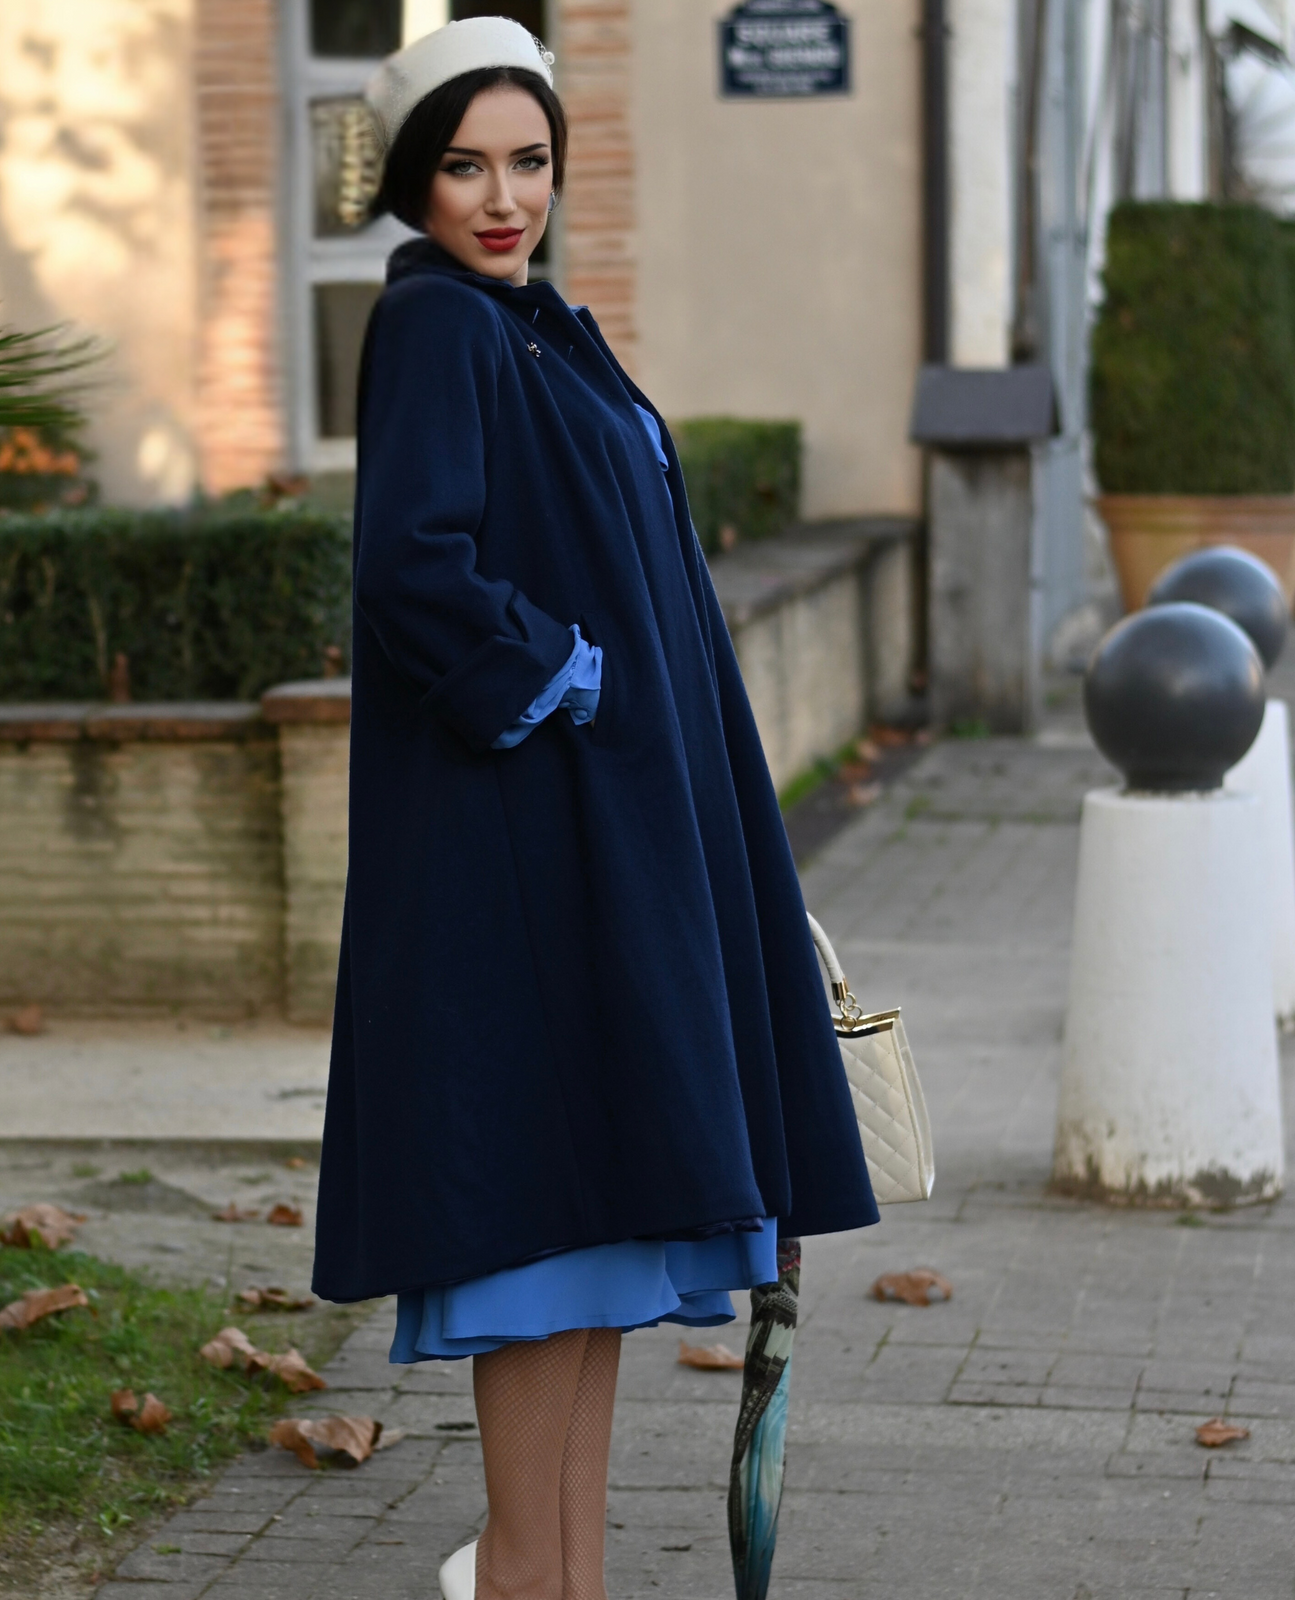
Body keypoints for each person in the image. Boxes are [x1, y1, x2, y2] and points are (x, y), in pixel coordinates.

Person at [311, 18, 878, 1600]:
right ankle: (521, 1578)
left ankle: (555, 1580)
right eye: (465, 166)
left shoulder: (535, 323)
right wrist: (563, 673)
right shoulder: (438, 322)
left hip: (603, 842)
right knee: (540, 1230)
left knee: (588, 1250)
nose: (504, 198)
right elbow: (410, 566)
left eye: (531, 161)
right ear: (413, 179)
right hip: (520, 858)